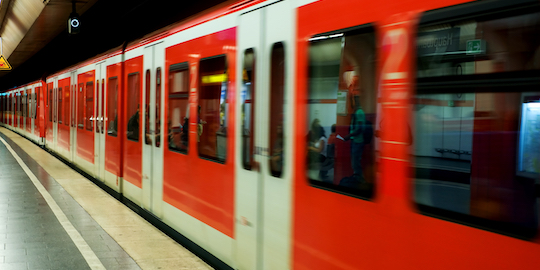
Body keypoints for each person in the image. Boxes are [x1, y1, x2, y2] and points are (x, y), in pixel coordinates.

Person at [344, 95, 365, 181]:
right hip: (354, 141)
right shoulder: (356, 112)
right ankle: (357, 178)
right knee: (354, 162)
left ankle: (359, 179)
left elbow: (360, 129)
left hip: (358, 141)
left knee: (356, 163)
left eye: (354, 101)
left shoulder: (359, 112)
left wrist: (349, 135)